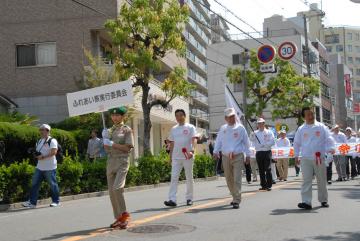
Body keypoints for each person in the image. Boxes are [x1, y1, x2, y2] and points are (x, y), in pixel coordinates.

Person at [294, 107, 335, 210]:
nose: (311, 116)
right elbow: (297, 143)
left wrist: (331, 148)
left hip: (319, 157)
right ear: (304, 117)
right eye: (308, 114)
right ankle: (306, 202)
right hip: (305, 158)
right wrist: (296, 155)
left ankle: (323, 200)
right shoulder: (301, 129)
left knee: (321, 179)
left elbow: (329, 138)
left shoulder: (321, 127)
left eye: (312, 114)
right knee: (306, 180)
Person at [102, 106, 134, 229]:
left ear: (122, 116)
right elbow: (106, 149)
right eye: (113, 115)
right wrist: (105, 139)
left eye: (117, 115)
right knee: (111, 192)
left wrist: (113, 144)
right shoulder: (109, 130)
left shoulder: (126, 130)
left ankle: (124, 216)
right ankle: (118, 218)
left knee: (117, 188)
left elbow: (127, 148)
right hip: (111, 162)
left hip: (122, 161)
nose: (115, 117)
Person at [213, 108, 251, 209]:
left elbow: (246, 143)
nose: (232, 118)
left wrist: (248, 155)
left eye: (233, 116)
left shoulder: (240, 128)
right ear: (226, 118)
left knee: (237, 178)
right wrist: (215, 151)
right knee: (229, 178)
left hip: (238, 156)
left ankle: (237, 200)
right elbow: (218, 141)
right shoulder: (223, 128)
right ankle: (234, 196)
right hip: (225, 156)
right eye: (230, 117)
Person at [164, 109, 197, 207]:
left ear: (184, 116)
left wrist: (193, 150)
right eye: (176, 116)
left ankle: (189, 198)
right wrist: (170, 157)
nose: (178, 118)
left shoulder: (190, 127)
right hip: (176, 157)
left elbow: (194, 139)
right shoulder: (174, 129)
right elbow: (172, 143)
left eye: (180, 115)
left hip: (187, 156)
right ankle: (172, 199)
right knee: (174, 178)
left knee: (189, 177)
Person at [22, 124, 60, 208]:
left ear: (48, 131)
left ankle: (56, 201)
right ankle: (32, 203)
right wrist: (35, 155)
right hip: (39, 167)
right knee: (34, 184)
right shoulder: (39, 141)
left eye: (43, 130)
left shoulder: (52, 140)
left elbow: (54, 152)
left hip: (50, 167)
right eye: (40, 130)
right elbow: (38, 152)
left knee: (52, 184)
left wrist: (43, 157)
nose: (41, 131)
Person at [252, 118, 275, 191]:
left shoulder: (269, 132)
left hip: (267, 151)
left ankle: (269, 185)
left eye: (261, 123)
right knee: (261, 170)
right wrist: (252, 135)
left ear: (264, 123)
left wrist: (265, 145)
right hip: (259, 152)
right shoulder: (255, 133)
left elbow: (272, 141)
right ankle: (263, 185)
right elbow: (251, 140)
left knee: (268, 169)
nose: (260, 124)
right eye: (258, 123)